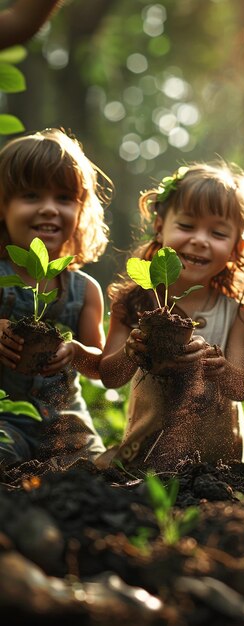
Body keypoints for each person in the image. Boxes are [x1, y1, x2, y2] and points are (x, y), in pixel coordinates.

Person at [96, 162, 244, 471]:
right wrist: (131, 352)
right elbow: (109, 377)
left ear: (237, 247)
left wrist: (220, 366)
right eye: (186, 226)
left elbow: (242, 388)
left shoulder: (238, 313)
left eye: (217, 232)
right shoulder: (133, 303)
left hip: (216, 462)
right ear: (159, 226)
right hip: (145, 456)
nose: (200, 239)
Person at [0, 127, 113, 466]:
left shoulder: (84, 290)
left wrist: (78, 352)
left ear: (80, 212)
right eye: (31, 196)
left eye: (64, 198)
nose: (49, 209)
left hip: (66, 422)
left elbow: (101, 368)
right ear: (3, 207)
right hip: (4, 416)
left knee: (92, 469)